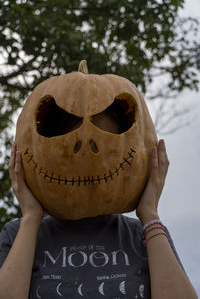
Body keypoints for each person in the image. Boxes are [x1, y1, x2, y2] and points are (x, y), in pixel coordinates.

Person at [0, 111, 198, 299]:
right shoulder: (18, 234)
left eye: (103, 150)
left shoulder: (145, 234)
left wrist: (150, 215)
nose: (89, 162)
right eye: (73, 148)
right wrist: (31, 218)